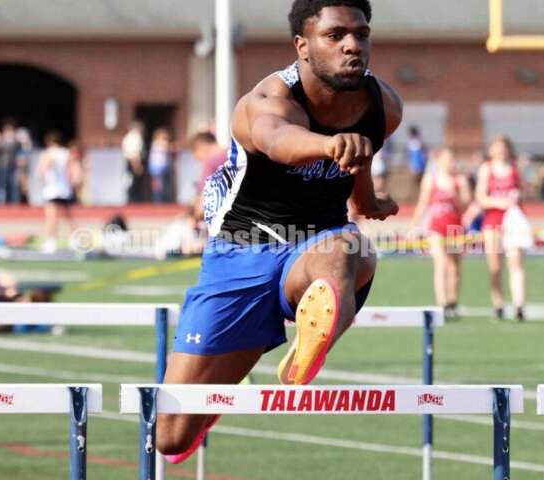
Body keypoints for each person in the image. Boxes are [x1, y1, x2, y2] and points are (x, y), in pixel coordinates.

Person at [156, 0, 401, 462]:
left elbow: (359, 162)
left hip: (316, 247)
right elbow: (277, 140)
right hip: (241, 250)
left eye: (361, 34)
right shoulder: (267, 100)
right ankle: (235, 367)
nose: (353, 46)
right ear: (302, 46)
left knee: (351, 250)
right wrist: (329, 144)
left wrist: (369, 202)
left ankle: (314, 340)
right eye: (335, 36)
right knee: (171, 436)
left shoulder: (382, 106)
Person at [409, 148, 471, 320]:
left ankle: (452, 302)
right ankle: (442, 303)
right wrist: (414, 226)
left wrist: (455, 196)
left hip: (455, 229)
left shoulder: (460, 180)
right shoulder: (431, 179)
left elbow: (466, 206)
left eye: (452, 160)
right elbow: (423, 203)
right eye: (447, 160)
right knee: (441, 263)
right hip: (436, 228)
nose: (450, 163)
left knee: (455, 268)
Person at [476, 135, 527, 321]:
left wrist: (516, 197)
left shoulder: (515, 168)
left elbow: (524, 191)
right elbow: (481, 197)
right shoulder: (487, 169)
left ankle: (519, 304)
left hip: (513, 221)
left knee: (516, 263)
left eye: (504, 147)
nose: (501, 151)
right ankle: (498, 304)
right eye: (497, 147)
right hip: (493, 221)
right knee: (495, 266)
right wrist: (499, 202)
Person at [38, 131, 79, 253]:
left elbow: (42, 170)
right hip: (64, 189)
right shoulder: (66, 153)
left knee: (51, 217)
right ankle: (76, 240)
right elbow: (75, 170)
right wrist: (74, 183)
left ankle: (51, 242)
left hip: (52, 189)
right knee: (68, 216)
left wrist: (43, 178)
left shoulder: (48, 154)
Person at [0, 119, 24, 204]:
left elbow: (23, 149)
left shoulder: (16, 140)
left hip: (14, 167)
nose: (9, 132)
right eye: (7, 130)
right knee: (1, 186)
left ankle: (15, 203)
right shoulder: (0, 139)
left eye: (10, 129)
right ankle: (0, 202)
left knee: (14, 186)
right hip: (2, 166)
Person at [122, 121, 148, 203]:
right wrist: (137, 166)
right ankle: (133, 202)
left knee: (133, 184)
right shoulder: (134, 137)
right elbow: (134, 154)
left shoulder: (129, 137)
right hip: (134, 164)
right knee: (134, 185)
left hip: (132, 163)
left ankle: (133, 200)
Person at [148, 128, 174, 203]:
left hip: (161, 168)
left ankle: (160, 200)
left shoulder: (158, 143)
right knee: (158, 188)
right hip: (157, 169)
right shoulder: (157, 142)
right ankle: (158, 201)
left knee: (163, 186)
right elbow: (167, 147)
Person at [407, 125, 427, 198]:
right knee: (418, 183)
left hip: (417, 166)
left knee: (417, 183)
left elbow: (413, 156)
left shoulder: (414, 143)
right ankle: (419, 196)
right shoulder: (419, 142)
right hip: (419, 166)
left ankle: (416, 197)